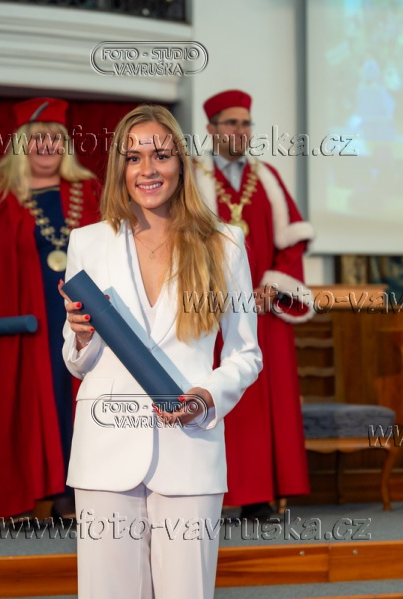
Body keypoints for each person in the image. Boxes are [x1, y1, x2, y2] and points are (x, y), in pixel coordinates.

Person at [59, 105, 262, 599]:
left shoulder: (225, 243)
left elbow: (246, 353)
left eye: (161, 156)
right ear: (120, 168)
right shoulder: (87, 241)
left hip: (189, 445)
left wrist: (206, 397)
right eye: (134, 158)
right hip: (105, 448)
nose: (147, 170)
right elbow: (76, 360)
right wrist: (81, 337)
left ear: (181, 163)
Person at [0, 97, 100, 522]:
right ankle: (15, 503)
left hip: (78, 319)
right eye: (37, 138)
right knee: (14, 408)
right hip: (18, 320)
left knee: (76, 403)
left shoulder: (89, 189)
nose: (47, 145)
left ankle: (70, 498)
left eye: (55, 137)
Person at [192, 90, 314, 520]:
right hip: (211, 309)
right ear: (211, 129)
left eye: (246, 123)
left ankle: (260, 497)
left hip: (264, 309)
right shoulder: (191, 177)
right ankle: (212, 493)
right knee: (228, 398)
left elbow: (292, 242)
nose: (241, 131)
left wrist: (272, 286)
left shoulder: (268, 178)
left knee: (264, 402)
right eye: (232, 123)